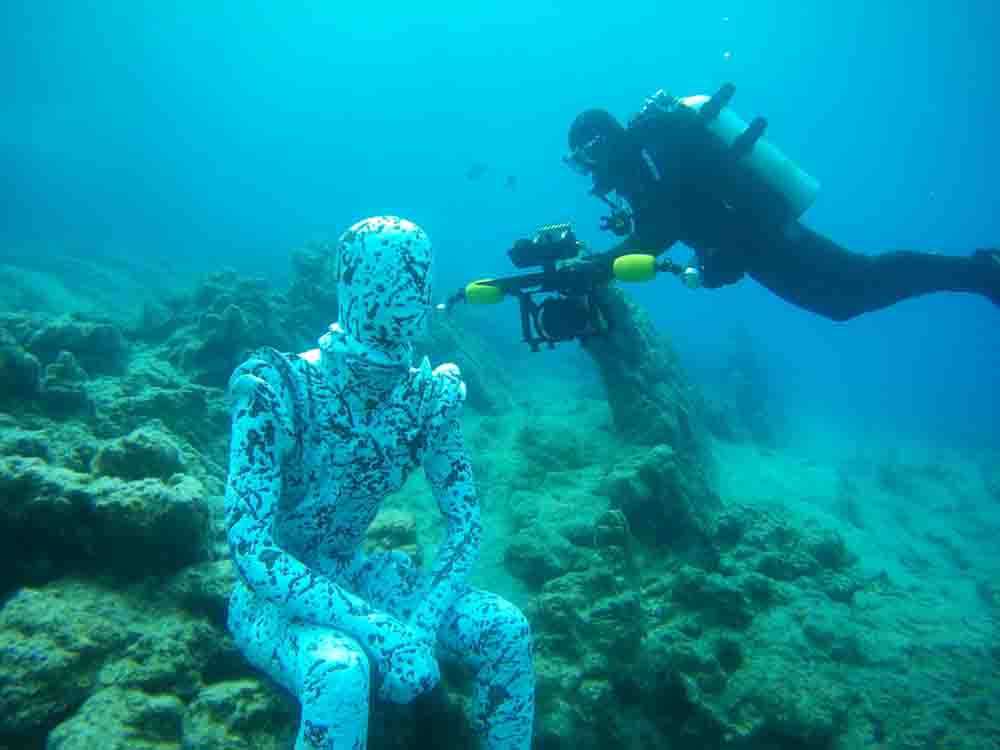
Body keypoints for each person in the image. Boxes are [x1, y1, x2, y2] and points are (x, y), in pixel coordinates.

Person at [224, 215, 535, 750]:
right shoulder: (277, 388)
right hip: (271, 600)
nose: (405, 302)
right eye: (389, 283)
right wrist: (379, 629)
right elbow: (251, 548)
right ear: (351, 284)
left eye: (415, 285)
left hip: (359, 573)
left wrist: (425, 622)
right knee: (340, 671)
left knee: (505, 628)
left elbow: (464, 521)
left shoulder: (425, 398)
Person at [564, 86, 1000, 321]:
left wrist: (600, 267)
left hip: (767, 234)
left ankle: (981, 271)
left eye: (584, 159)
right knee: (842, 303)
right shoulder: (641, 168)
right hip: (751, 247)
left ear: (601, 143)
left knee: (858, 279)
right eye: (578, 164)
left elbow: (663, 229)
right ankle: (979, 273)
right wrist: (712, 258)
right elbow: (683, 217)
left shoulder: (657, 150)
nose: (586, 171)